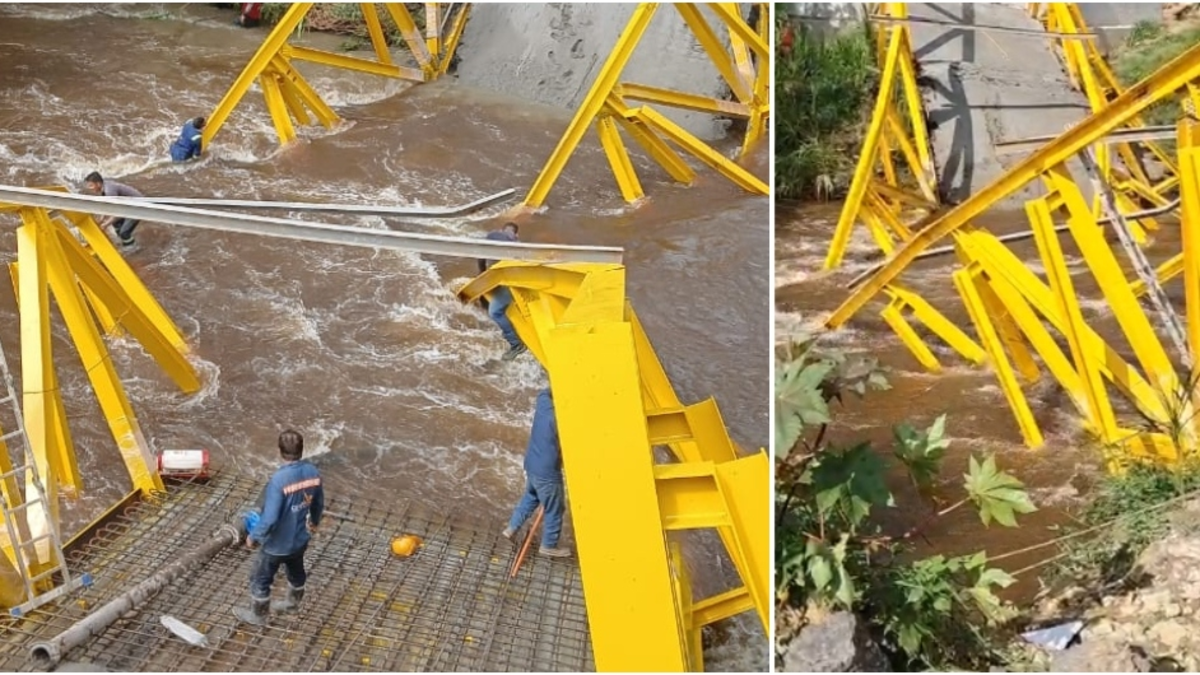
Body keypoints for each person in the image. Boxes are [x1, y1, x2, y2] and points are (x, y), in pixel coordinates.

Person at [234, 429, 325, 626]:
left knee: (260, 579)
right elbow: (318, 504)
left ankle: (258, 615)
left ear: (280, 451)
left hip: (276, 545)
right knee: (296, 572)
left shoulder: (278, 480)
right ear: (302, 450)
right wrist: (315, 522)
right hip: (299, 540)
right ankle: (292, 605)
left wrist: (254, 536)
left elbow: (271, 518)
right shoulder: (313, 472)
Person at [502, 388, 571, 558]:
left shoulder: (544, 406)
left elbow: (543, 393)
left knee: (531, 496)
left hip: (532, 464)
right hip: (547, 473)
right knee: (554, 508)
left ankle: (511, 528)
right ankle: (548, 546)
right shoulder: (561, 420)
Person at [476, 222, 527, 361]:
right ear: (516, 234)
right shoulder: (520, 244)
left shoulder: (492, 235)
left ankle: (516, 345)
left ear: (502, 229)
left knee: (495, 312)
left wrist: (482, 273)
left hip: (505, 279)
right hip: (517, 277)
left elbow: (481, 257)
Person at [83, 171, 143, 249]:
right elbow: (108, 205)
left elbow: (118, 212)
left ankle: (133, 248)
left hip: (138, 207)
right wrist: (101, 219)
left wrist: (105, 224)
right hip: (127, 206)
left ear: (98, 184)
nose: (89, 188)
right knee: (116, 224)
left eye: (91, 186)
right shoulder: (104, 187)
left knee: (124, 232)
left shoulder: (109, 191)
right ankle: (124, 241)